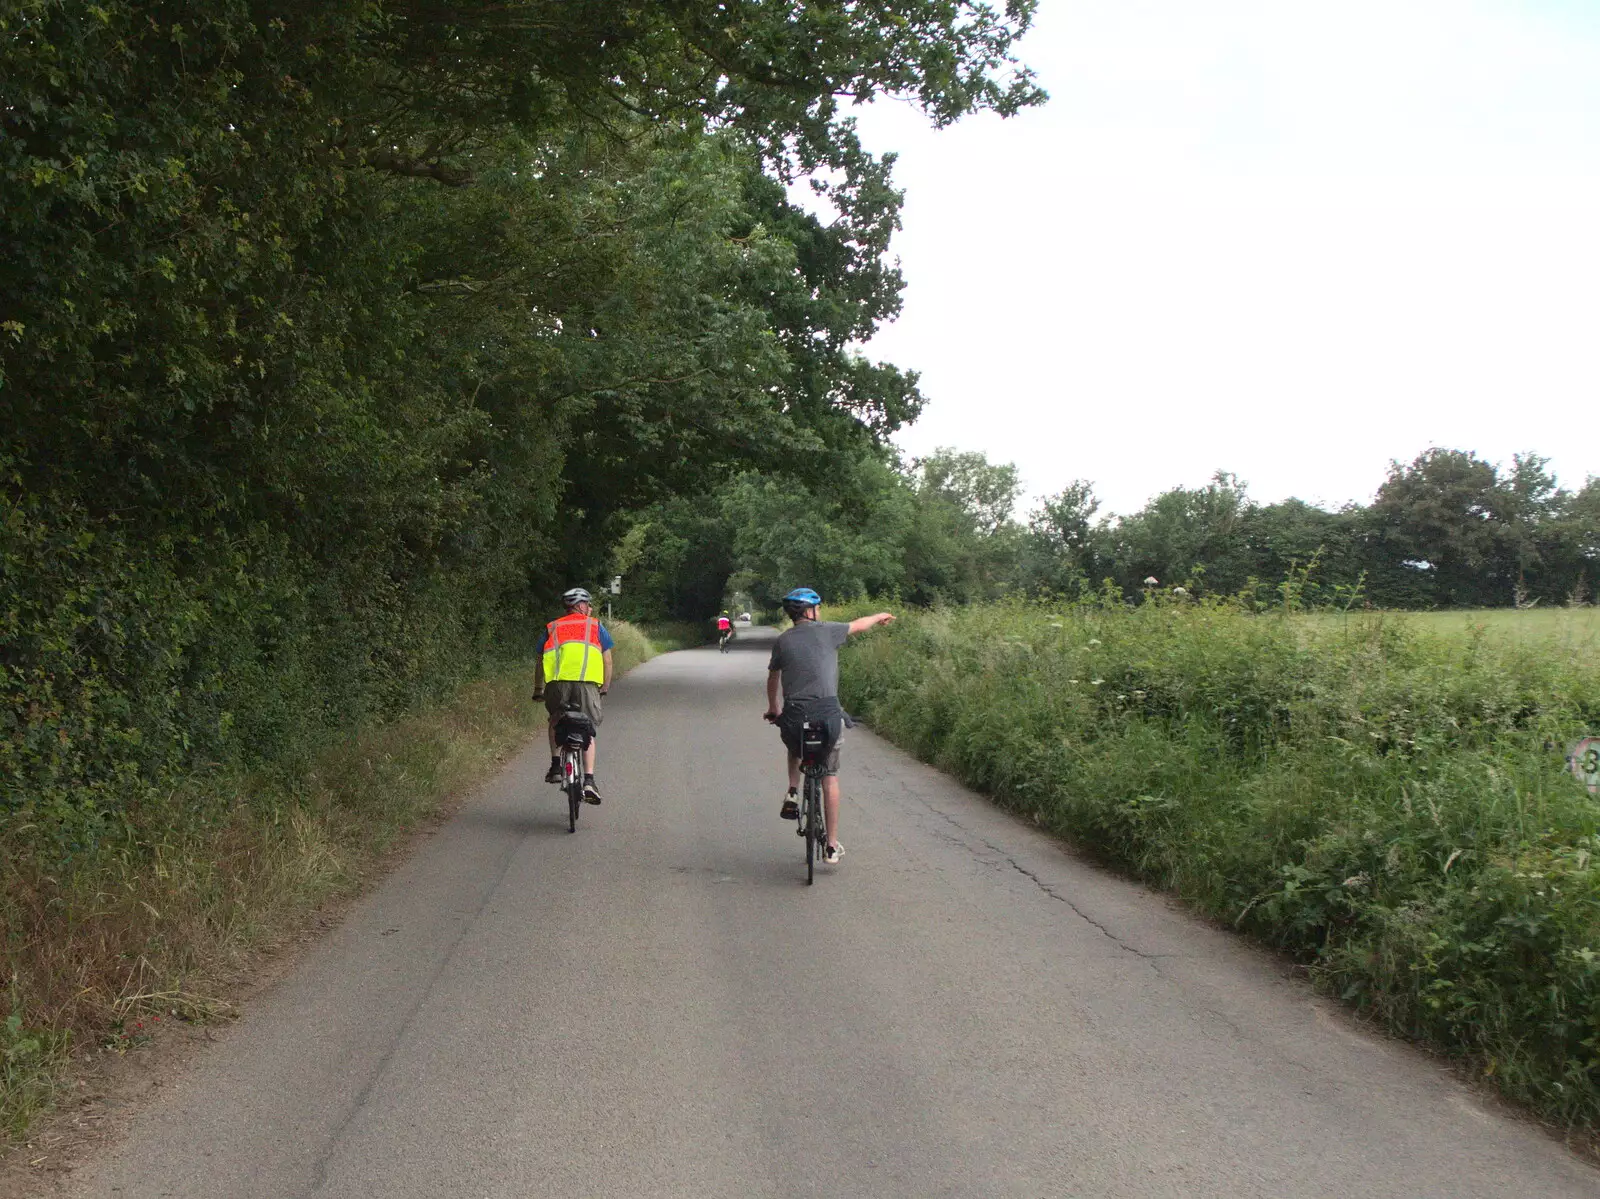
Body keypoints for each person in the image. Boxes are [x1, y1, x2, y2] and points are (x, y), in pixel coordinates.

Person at [764, 587, 894, 864]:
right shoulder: (828, 631)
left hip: (796, 715)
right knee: (830, 776)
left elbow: (773, 678)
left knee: (793, 741)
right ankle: (832, 846)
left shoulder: (783, 641)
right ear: (810, 611)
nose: (820, 612)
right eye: (818, 608)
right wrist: (880, 614)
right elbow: (859, 624)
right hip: (828, 715)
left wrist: (775, 708)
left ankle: (792, 790)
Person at [532, 587, 614, 803]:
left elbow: (540, 660)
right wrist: (604, 687)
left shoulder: (553, 627)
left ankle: (556, 765)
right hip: (586, 686)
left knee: (555, 719)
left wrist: (538, 689)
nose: (590, 608)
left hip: (558, 686)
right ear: (580, 606)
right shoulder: (595, 626)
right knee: (588, 728)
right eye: (587, 604)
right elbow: (607, 660)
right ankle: (588, 780)